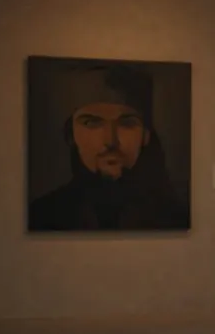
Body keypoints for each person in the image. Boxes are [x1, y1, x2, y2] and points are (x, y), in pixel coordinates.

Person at [28, 63, 189, 231]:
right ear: (71, 135)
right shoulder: (43, 215)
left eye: (126, 123)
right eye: (92, 123)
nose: (110, 141)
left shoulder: (173, 217)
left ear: (146, 135)